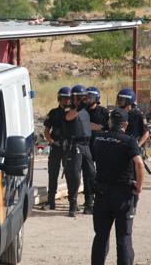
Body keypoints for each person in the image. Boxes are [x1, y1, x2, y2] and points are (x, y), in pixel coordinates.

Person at [91, 108, 146, 265]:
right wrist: (139, 187)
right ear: (125, 124)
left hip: (101, 193)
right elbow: (139, 164)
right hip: (122, 194)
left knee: (100, 236)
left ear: (110, 122)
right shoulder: (129, 141)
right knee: (123, 237)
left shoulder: (99, 138)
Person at [64, 85, 96, 217]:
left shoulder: (85, 111)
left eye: (83, 97)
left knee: (91, 173)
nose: (81, 100)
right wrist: (78, 107)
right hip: (75, 145)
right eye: (78, 97)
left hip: (86, 145)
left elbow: (86, 125)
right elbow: (69, 117)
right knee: (75, 176)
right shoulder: (70, 110)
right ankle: (73, 203)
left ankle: (89, 203)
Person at [42, 87, 71, 210]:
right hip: (56, 145)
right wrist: (51, 142)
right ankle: (50, 202)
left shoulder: (73, 113)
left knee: (71, 175)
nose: (66, 101)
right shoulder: (53, 112)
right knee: (52, 174)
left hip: (69, 146)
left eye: (68, 99)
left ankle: (72, 203)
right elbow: (47, 131)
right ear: (59, 99)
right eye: (64, 99)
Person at [86, 87, 109, 152]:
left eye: (91, 97)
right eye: (87, 97)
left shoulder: (104, 111)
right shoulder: (82, 111)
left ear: (97, 98)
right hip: (86, 143)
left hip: (99, 143)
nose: (88, 99)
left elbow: (108, 127)